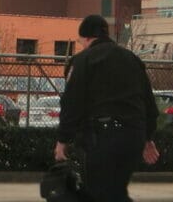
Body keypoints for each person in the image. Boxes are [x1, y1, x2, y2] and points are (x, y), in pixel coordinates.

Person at [54, 14, 160, 202]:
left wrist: (63, 139)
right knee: (114, 190)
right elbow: (149, 104)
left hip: (102, 137)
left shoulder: (83, 60)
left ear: (86, 38)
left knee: (100, 192)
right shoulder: (132, 60)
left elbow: (72, 103)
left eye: (81, 42)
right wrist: (147, 138)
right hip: (133, 137)